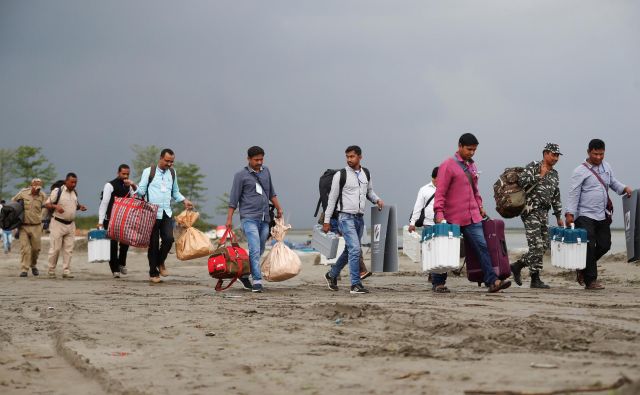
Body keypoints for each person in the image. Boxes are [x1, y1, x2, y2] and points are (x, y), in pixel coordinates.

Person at [434, 133, 511, 293]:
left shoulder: (472, 166)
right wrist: (439, 213)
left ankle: (492, 281)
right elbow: (440, 192)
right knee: (447, 250)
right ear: (460, 146)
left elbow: (475, 190)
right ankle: (438, 283)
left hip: (472, 216)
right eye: (469, 149)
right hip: (452, 217)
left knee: (483, 247)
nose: (471, 153)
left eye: (474, 150)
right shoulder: (447, 165)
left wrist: (480, 206)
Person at [565, 139, 632, 290]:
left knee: (605, 245)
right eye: (595, 154)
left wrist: (624, 188)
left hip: (602, 214)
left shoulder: (606, 167)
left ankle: (583, 268)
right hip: (584, 215)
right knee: (589, 245)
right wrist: (570, 213)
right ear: (588, 152)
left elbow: (613, 182)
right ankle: (591, 281)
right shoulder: (579, 171)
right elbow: (574, 193)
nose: (599, 157)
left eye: (601, 154)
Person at [323, 145, 384, 294]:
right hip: (345, 217)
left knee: (349, 250)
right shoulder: (341, 175)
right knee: (356, 249)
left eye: (352, 156)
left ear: (360, 157)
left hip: (359, 219)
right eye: (347, 157)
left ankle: (331, 275)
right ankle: (355, 284)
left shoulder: (366, 174)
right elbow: (332, 199)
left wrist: (377, 200)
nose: (349, 159)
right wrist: (326, 220)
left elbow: (369, 192)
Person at [226, 146, 284, 293]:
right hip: (248, 217)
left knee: (260, 249)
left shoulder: (266, 172)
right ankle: (257, 281)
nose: (259, 162)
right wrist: (229, 219)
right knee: (254, 247)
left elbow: (271, 192)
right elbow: (234, 199)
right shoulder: (240, 175)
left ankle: (245, 275)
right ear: (248, 159)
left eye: (261, 159)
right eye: (256, 160)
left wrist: (279, 208)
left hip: (265, 218)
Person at [510, 143, 564, 289]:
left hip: (544, 213)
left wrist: (559, 215)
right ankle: (526, 271)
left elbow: (555, 196)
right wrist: (539, 175)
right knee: (536, 247)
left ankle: (529, 274)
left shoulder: (555, 174)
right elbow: (522, 182)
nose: (556, 158)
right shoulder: (534, 166)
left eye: (558, 155)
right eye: (553, 154)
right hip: (530, 210)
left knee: (544, 245)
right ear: (545, 153)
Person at [137, 149, 193, 284]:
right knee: (154, 244)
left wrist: (184, 200)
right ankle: (153, 273)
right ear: (160, 158)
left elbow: (175, 192)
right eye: (167, 161)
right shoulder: (148, 172)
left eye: (171, 161)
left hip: (166, 212)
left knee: (169, 239)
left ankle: (160, 262)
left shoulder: (173, 173)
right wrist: (134, 187)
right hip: (151, 213)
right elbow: (141, 190)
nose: (169, 164)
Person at [409, 167, 447, 292]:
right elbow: (418, 207)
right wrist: (412, 222)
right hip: (428, 225)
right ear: (434, 177)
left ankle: (437, 278)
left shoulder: (448, 188)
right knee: (433, 253)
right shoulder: (424, 190)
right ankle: (437, 282)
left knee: (443, 254)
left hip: (443, 225)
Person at [98, 164, 138, 278]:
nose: (125, 176)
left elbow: (137, 196)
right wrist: (100, 221)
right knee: (113, 245)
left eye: (127, 174)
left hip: (124, 220)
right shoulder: (109, 185)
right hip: (110, 219)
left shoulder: (129, 186)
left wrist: (133, 185)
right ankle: (115, 269)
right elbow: (104, 203)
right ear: (118, 173)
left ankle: (121, 263)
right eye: (123, 174)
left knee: (125, 242)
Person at [45, 173, 87, 278]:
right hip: (57, 223)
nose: (74, 184)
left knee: (69, 249)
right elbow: (47, 204)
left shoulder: (74, 193)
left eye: (75, 182)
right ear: (66, 181)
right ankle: (51, 270)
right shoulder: (57, 191)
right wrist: (55, 206)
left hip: (71, 224)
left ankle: (66, 271)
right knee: (56, 248)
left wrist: (80, 207)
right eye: (72, 182)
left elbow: (74, 206)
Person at [12, 179, 47, 277]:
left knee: (36, 249)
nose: (37, 188)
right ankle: (24, 269)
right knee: (25, 249)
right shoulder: (23, 193)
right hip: (24, 226)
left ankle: (33, 265)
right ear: (31, 185)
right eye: (36, 186)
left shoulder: (43, 195)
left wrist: (42, 217)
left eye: (40, 186)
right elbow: (13, 201)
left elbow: (45, 207)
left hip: (36, 226)